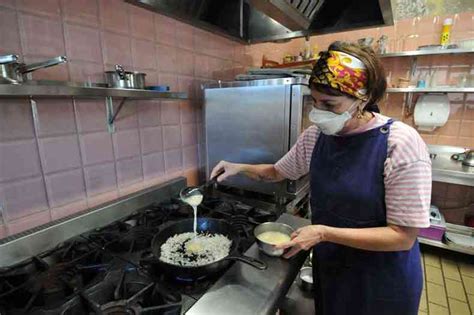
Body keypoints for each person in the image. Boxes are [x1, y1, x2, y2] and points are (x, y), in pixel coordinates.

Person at [210, 41, 431, 315]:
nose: (318, 113)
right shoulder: (315, 138)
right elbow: (277, 172)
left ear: (363, 98)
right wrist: (238, 167)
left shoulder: (399, 143)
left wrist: (323, 232)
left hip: (380, 282)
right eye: (314, 102)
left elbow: (402, 236)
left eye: (330, 104)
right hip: (333, 270)